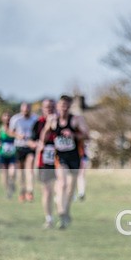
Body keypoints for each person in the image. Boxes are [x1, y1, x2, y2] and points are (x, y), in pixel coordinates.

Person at [44, 95, 89, 229]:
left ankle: (67, 210)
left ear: (69, 107)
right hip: (60, 157)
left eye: (66, 105)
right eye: (61, 105)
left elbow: (87, 135)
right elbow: (45, 134)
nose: (63, 108)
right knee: (62, 184)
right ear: (58, 106)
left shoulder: (76, 120)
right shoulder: (52, 120)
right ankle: (61, 213)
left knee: (70, 188)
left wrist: (73, 135)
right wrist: (42, 144)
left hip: (75, 157)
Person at [34, 99, 58, 228]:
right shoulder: (38, 123)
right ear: (42, 108)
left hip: (60, 160)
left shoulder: (61, 121)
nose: (49, 109)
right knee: (47, 191)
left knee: (60, 189)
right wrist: (37, 145)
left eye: (52, 107)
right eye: (47, 107)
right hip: (44, 161)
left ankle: (62, 213)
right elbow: (33, 141)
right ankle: (49, 218)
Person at [9, 101, 39, 202]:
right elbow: (10, 132)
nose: (25, 112)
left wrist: (35, 142)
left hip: (30, 147)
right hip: (19, 146)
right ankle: (22, 191)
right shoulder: (15, 119)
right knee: (21, 171)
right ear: (21, 109)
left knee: (29, 169)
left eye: (27, 110)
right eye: (24, 110)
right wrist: (18, 136)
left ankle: (30, 192)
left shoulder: (35, 119)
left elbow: (38, 132)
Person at [0, 111, 18, 198]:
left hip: (13, 154)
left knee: (12, 172)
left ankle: (12, 183)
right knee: (4, 174)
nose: (7, 119)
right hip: (3, 154)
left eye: (9, 117)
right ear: (2, 119)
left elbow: (19, 138)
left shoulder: (14, 130)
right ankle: (8, 191)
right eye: (5, 116)